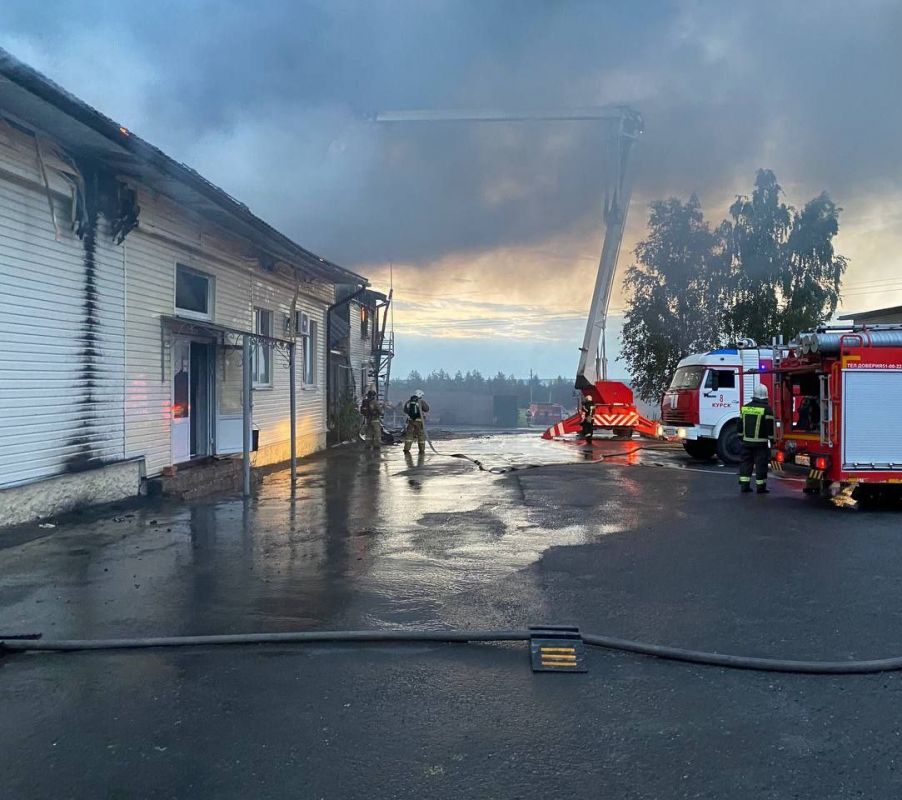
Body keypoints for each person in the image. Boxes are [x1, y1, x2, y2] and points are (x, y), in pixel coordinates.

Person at [739, 384, 775, 494]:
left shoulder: (744, 408)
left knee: (746, 463)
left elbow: (739, 425)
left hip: (746, 442)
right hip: (760, 444)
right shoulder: (767, 409)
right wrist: (772, 440)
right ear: (765, 396)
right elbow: (770, 428)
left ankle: (744, 486)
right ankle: (761, 487)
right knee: (761, 465)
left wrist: (741, 437)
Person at [403, 389, 430, 454]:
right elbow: (427, 409)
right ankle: (421, 450)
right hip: (419, 421)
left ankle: (406, 449)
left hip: (410, 421)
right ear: (420, 395)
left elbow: (405, 410)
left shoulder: (408, 402)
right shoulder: (421, 401)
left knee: (409, 434)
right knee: (420, 435)